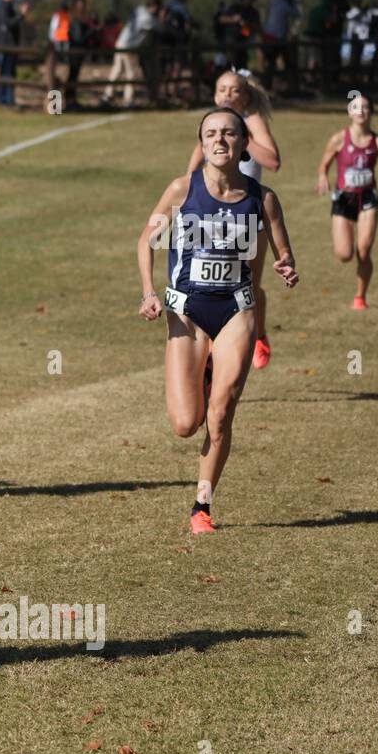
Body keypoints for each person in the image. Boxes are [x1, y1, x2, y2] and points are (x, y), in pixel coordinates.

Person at [137, 107, 299, 534]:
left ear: (244, 143)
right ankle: (204, 368)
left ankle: (202, 504)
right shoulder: (180, 190)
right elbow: (146, 240)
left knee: (221, 414)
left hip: (235, 310)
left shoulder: (262, 198)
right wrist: (149, 292)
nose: (220, 140)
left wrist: (287, 265)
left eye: (229, 133)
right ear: (202, 142)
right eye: (211, 133)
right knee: (185, 424)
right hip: (186, 313)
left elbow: (284, 251)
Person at [185, 69, 280, 370]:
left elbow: (273, 161)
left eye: (233, 90)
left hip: (250, 213)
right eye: (221, 89)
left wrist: (242, 138)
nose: (226, 95)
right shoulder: (213, 125)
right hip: (212, 214)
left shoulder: (251, 123)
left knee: (249, 283)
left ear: (245, 96)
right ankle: (214, 350)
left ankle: (259, 334)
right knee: (214, 280)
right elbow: (196, 161)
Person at [316, 94, 378, 309]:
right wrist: (323, 177)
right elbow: (324, 164)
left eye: (365, 107)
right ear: (349, 112)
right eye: (356, 107)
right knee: (344, 254)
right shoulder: (338, 139)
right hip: (344, 197)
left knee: (363, 250)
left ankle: (360, 297)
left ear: (371, 111)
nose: (360, 111)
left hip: (369, 198)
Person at [102, 0, 161, 108]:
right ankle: (128, 100)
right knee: (131, 73)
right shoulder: (147, 17)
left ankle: (107, 95)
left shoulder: (139, 11)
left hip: (121, 43)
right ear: (154, 6)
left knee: (117, 70)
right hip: (129, 46)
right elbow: (160, 28)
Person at [261, 0, 299, 95]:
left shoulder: (273, 2)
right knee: (287, 63)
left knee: (271, 64)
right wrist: (293, 3)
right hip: (276, 38)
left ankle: (269, 87)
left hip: (268, 35)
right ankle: (286, 87)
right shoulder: (284, 4)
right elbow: (296, 13)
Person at [0, 0, 25, 106]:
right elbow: (9, 23)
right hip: (5, 46)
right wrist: (21, 15)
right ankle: (5, 100)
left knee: (9, 73)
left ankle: (7, 99)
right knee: (6, 73)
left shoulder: (9, 8)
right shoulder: (3, 8)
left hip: (9, 46)